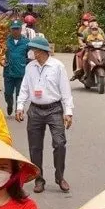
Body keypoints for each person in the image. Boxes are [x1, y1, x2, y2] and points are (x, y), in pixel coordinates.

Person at [15, 34, 73, 194]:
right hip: (35, 109)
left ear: (41, 51)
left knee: (59, 143)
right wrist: (20, 106)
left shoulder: (57, 66)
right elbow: (25, 88)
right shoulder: (30, 67)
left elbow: (65, 91)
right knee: (35, 147)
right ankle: (39, 179)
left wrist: (68, 111)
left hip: (54, 109)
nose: (32, 52)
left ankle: (60, 177)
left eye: (34, 50)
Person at [3, 21, 30, 115]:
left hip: (21, 72)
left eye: (17, 29)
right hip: (8, 72)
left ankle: (18, 110)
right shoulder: (5, 41)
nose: (15, 31)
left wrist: (26, 62)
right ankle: (9, 104)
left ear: (20, 29)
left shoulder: (26, 42)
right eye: (13, 29)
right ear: (10, 29)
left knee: (20, 94)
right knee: (8, 93)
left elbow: (30, 56)